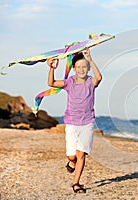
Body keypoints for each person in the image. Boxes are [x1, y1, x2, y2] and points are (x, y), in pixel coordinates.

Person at [47, 48, 102, 193]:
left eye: (84, 66)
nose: (82, 69)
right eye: (79, 67)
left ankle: (76, 183)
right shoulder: (69, 82)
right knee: (72, 156)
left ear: (88, 68)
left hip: (87, 122)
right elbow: (51, 83)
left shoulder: (91, 81)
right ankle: (72, 162)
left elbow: (99, 78)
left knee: (81, 154)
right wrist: (52, 68)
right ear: (74, 69)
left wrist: (90, 59)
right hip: (71, 123)